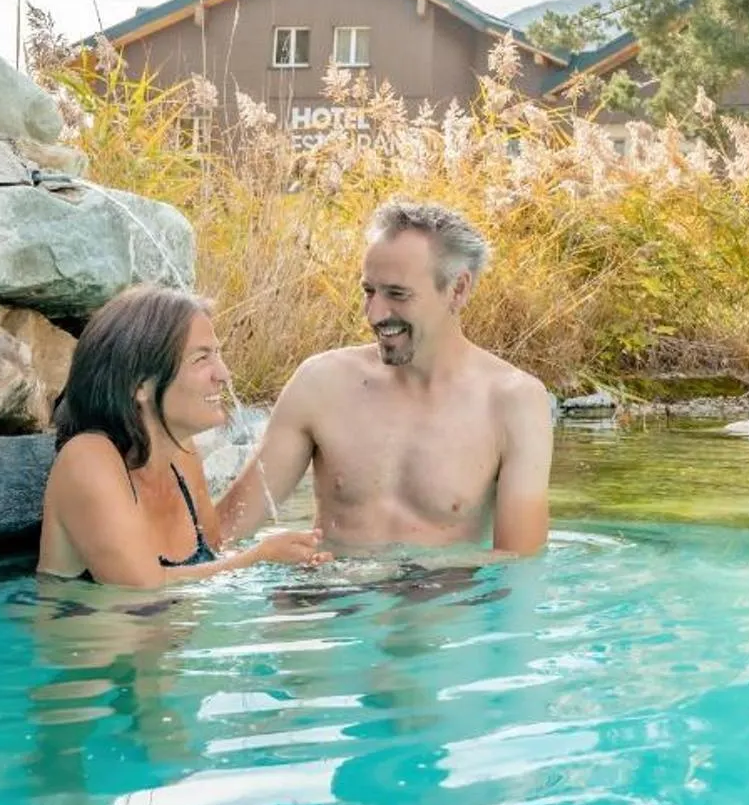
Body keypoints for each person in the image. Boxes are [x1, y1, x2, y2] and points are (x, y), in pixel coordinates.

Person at [218, 199, 553, 557]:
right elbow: (222, 532)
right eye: (368, 291)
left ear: (458, 289)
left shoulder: (513, 402)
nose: (375, 314)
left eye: (397, 294)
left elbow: (518, 563)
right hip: (330, 603)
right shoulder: (321, 384)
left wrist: (397, 579)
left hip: (438, 606)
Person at [36, 283, 329, 587]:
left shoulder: (182, 457)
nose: (223, 374)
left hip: (170, 632)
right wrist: (259, 557)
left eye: (217, 355)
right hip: (89, 633)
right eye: (202, 359)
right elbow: (139, 588)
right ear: (140, 384)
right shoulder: (88, 458)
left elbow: (218, 559)